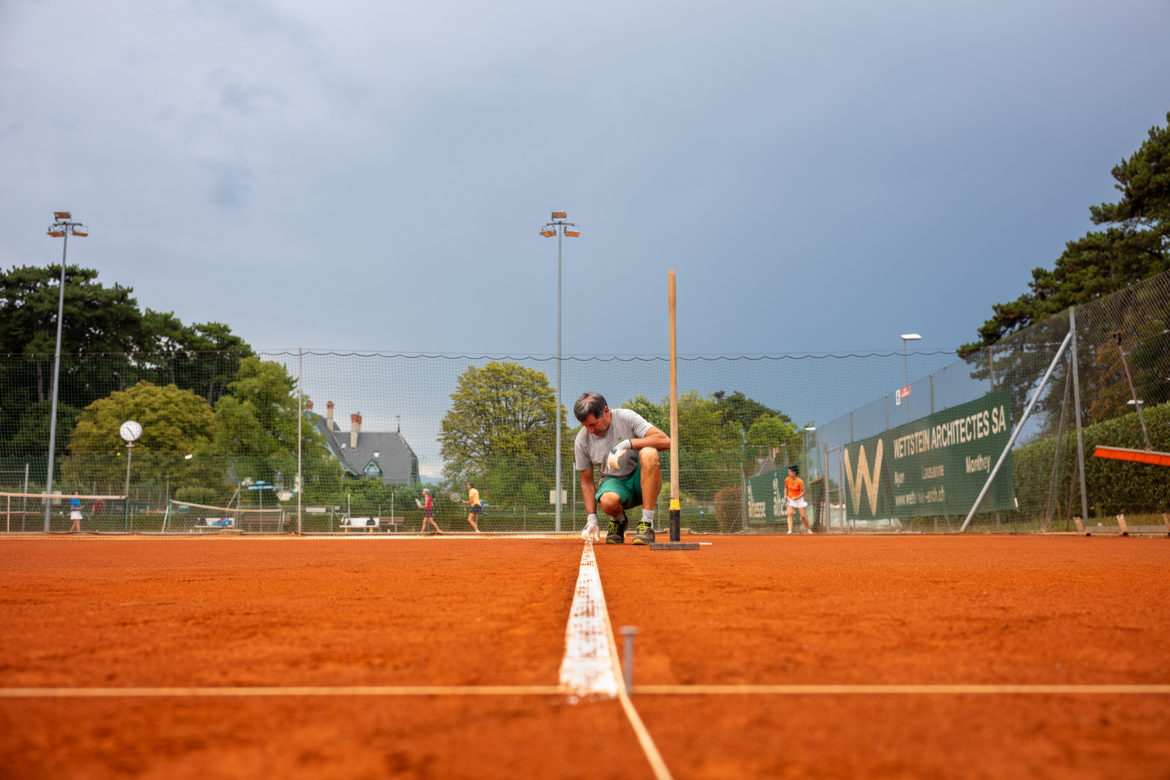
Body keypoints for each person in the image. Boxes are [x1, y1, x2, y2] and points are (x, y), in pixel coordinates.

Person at [574, 391, 671, 546]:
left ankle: (647, 524)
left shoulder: (626, 417)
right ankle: (619, 520)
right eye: (585, 426)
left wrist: (627, 443)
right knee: (606, 502)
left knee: (649, 452)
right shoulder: (581, 440)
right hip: (614, 482)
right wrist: (591, 518)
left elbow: (665, 441)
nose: (590, 431)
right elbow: (586, 482)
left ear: (606, 411)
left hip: (642, 481)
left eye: (593, 424)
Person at [785, 465, 813, 534]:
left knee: (803, 516)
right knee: (790, 513)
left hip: (799, 499)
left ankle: (808, 529)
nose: (789, 473)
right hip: (790, 499)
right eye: (788, 471)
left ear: (794, 473)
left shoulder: (800, 481)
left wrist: (797, 497)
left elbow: (803, 492)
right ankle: (790, 531)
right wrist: (785, 495)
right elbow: (786, 487)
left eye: (790, 471)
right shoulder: (787, 479)